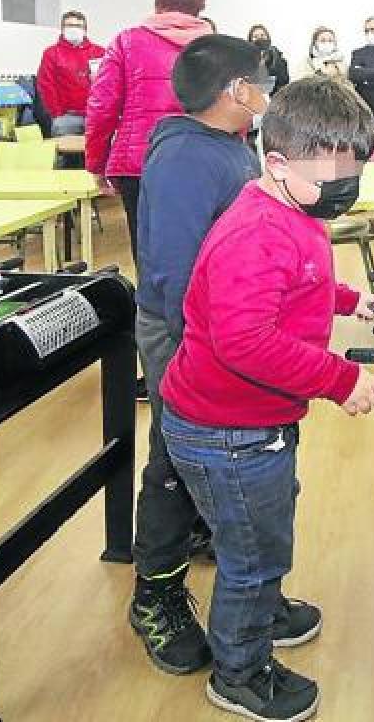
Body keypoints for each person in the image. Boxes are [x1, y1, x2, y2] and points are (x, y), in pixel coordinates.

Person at [159, 76, 374, 721]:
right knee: (254, 551)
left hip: (253, 425)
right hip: (225, 429)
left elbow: (305, 280)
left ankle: (265, 605)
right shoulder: (256, 233)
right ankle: (239, 670)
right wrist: (341, 379)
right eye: (334, 176)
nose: (346, 188)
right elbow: (247, 343)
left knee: (268, 518)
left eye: (356, 172)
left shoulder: (297, 208)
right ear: (279, 163)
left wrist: (354, 300)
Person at [128, 35, 266, 677]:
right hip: (183, 331)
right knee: (174, 454)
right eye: (261, 82)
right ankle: (155, 596)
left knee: (213, 450)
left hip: (218, 326)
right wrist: (204, 348)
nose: (266, 92)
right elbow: (177, 268)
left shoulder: (226, 146)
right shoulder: (186, 158)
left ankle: (213, 546)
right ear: (237, 91)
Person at [85, 0, 213, 262]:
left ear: (157, 3)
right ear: (200, 7)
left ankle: (150, 308)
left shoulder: (127, 42)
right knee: (201, 251)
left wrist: (97, 162)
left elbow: (101, 106)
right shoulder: (216, 47)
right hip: (203, 164)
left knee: (147, 252)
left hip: (140, 164)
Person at [37, 10, 105, 136]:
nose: (74, 29)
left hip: (96, 116)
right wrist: (57, 113)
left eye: (78, 26)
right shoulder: (51, 53)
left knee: (97, 155)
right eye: (69, 26)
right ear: (62, 29)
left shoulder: (99, 52)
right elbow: (46, 85)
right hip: (66, 118)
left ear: (85, 30)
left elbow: (109, 84)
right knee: (68, 154)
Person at [247, 24, 290, 96]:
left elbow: (284, 80)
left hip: (275, 98)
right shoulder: (247, 59)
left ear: (267, 37)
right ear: (250, 40)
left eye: (262, 35)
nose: (259, 38)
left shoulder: (277, 57)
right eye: (255, 37)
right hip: (254, 99)